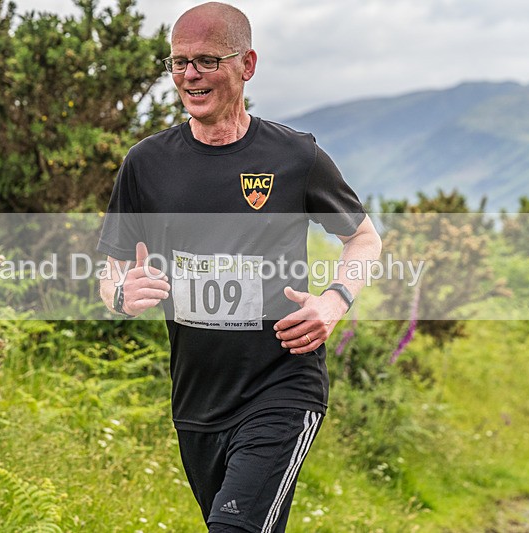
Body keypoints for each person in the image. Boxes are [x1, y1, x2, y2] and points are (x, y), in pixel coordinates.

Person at [97, 3, 382, 531]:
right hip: (197, 401)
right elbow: (111, 268)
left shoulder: (294, 156)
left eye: (206, 59)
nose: (189, 75)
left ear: (247, 64)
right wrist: (120, 292)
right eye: (178, 62)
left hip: (282, 385)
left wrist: (333, 302)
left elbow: (363, 238)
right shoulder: (146, 163)